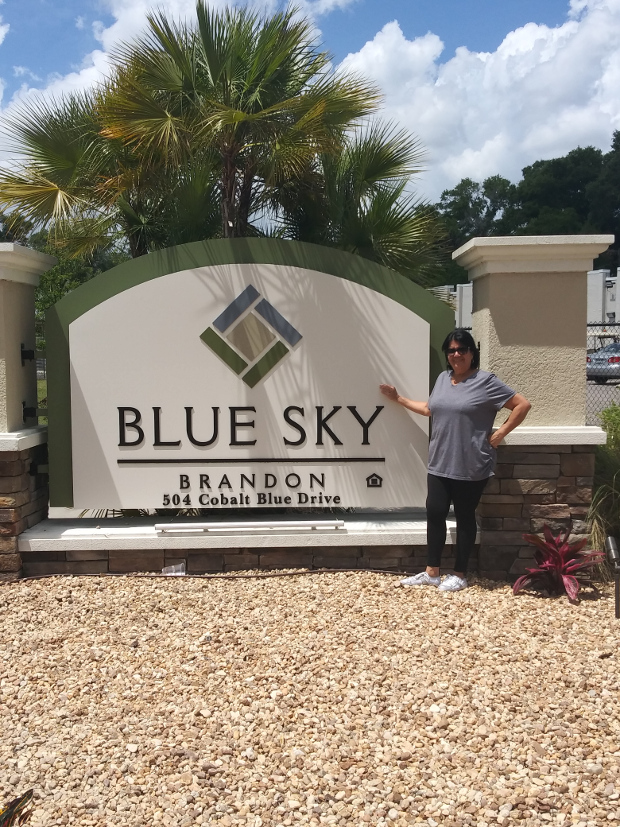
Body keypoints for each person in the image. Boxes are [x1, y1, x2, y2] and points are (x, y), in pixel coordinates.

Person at [380, 328, 531, 592]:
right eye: (451, 350)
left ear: (472, 353)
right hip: (440, 461)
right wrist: (399, 398)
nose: (456, 354)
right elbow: (429, 409)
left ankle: (460, 574)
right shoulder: (442, 378)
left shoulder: (486, 381)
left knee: (464, 517)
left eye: (462, 349)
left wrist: (501, 433)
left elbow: (522, 405)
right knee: (435, 513)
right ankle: (432, 572)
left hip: (471, 464)